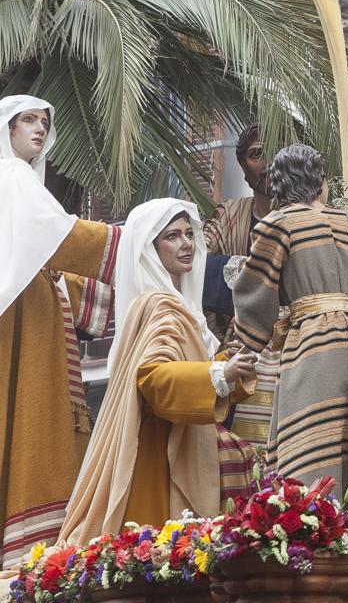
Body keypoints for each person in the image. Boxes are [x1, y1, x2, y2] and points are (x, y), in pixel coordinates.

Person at [59, 199, 256, 544]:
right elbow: (153, 378)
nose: (186, 244)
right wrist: (221, 373)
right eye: (172, 237)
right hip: (159, 456)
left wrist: (228, 365)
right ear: (150, 249)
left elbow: (189, 368)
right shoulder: (160, 306)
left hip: (180, 446)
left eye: (188, 234)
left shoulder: (177, 305)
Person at [232, 145, 348, 511]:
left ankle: (309, 521)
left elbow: (255, 288)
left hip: (311, 343)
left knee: (309, 437)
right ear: (319, 181)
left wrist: (257, 335)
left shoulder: (277, 225)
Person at [0, 95, 120, 564]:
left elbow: (43, 256)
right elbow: (61, 239)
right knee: (33, 413)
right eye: (27, 120)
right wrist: (126, 244)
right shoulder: (12, 178)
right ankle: (29, 552)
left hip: (30, 313)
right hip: (22, 322)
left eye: (44, 122)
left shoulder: (19, 182)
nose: (39, 129)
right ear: (6, 129)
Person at [201, 123, 279, 449]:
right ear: (245, 168)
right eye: (257, 154)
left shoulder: (308, 218)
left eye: (273, 150)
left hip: (293, 353)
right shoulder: (229, 216)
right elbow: (195, 268)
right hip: (241, 354)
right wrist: (250, 283)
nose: (268, 162)